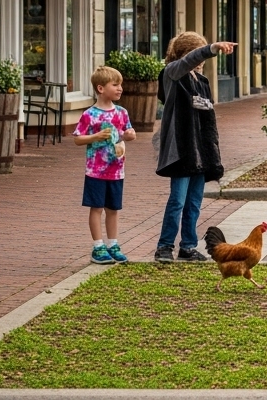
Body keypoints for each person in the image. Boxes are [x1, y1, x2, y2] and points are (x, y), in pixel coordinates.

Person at [154, 32, 237, 263]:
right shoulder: (172, 73)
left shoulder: (202, 81)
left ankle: (188, 246)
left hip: (200, 150)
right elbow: (186, 63)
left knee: (193, 203)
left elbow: (207, 117)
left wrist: (212, 151)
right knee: (177, 201)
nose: (200, 61)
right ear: (185, 54)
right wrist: (211, 48)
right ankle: (164, 246)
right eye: (196, 54)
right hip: (181, 150)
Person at [73, 66, 137, 264]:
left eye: (121, 85)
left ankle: (113, 244)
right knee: (96, 208)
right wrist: (95, 136)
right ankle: (98, 246)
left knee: (113, 208)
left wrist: (130, 135)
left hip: (117, 171)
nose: (120, 89)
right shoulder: (89, 114)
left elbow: (129, 132)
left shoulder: (122, 112)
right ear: (101, 88)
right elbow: (78, 139)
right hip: (96, 172)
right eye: (115, 85)